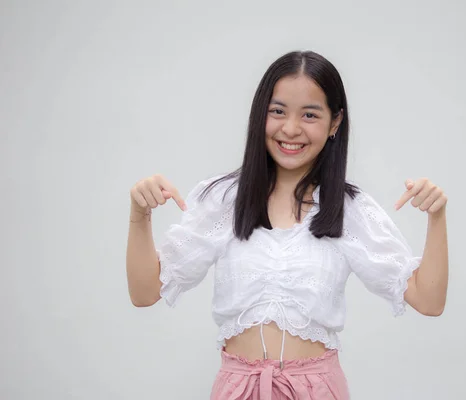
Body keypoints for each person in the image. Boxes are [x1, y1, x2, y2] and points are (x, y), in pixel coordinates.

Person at [126, 50, 449, 399]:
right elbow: (145, 293)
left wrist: (437, 217)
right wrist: (139, 215)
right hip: (238, 389)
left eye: (310, 114)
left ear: (334, 123)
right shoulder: (223, 199)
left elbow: (428, 301)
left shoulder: (349, 209)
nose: (291, 129)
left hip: (317, 390)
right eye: (277, 111)